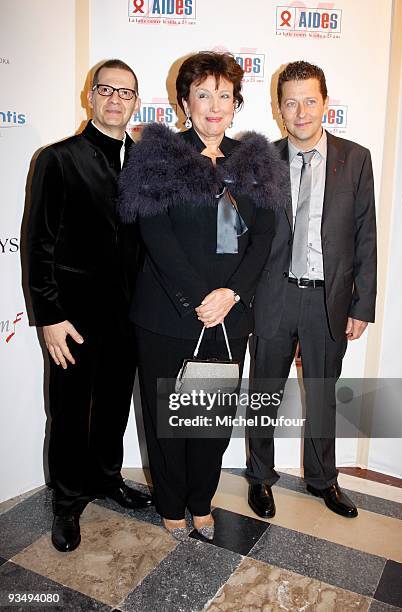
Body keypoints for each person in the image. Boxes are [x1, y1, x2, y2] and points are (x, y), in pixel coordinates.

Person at [119, 51, 288, 540]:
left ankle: (201, 499)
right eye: (203, 94)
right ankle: (171, 502)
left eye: (225, 95)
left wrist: (231, 294)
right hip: (167, 315)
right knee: (169, 419)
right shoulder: (160, 156)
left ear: (236, 103)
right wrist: (200, 299)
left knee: (210, 419)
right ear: (185, 102)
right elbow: (156, 234)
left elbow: (264, 237)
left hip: (230, 316)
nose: (215, 105)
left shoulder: (255, 160)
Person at [27, 59, 152, 553]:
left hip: (130, 315)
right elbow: (38, 244)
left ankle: (106, 478)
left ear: (136, 102)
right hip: (73, 317)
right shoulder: (58, 159)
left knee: (115, 405)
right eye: (107, 90)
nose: (116, 99)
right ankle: (66, 499)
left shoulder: (146, 164)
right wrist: (49, 317)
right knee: (70, 408)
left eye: (126, 92)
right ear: (91, 96)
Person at [246, 61, 377, 520]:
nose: (300, 111)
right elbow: (239, 231)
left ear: (325, 103)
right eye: (290, 102)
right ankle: (260, 476)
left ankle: (324, 479)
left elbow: (366, 235)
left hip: (328, 300)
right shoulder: (260, 161)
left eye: (309, 100)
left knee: (323, 393)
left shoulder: (356, 158)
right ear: (278, 108)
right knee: (265, 392)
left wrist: (363, 303)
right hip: (273, 296)